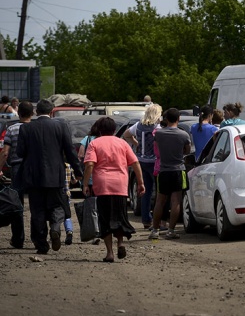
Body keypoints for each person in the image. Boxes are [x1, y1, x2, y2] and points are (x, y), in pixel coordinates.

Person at [16, 99, 82, 255]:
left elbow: (19, 152)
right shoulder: (61, 126)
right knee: (58, 205)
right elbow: (70, 152)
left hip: (34, 177)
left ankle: (41, 245)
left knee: (37, 210)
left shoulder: (26, 128)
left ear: (36, 112)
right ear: (52, 111)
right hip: (56, 175)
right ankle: (55, 227)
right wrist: (78, 171)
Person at [83, 117, 144, 262]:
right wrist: (141, 182)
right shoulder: (122, 143)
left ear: (99, 129)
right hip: (120, 185)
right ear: (114, 130)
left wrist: (85, 184)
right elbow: (135, 163)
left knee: (105, 219)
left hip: (102, 186)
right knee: (119, 217)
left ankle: (110, 253)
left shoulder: (94, 143)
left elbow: (90, 164)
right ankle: (120, 243)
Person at [149, 108, 191, 240]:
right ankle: (171, 230)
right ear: (179, 119)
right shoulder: (183, 135)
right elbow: (187, 151)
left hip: (163, 170)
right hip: (178, 169)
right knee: (176, 201)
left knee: (160, 201)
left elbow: (156, 148)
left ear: (166, 119)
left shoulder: (159, 134)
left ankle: (155, 230)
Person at [123, 103, 162, 229]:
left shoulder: (139, 125)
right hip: (155, 162)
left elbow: (126, 134)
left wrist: (136, 143)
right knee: (160, 193)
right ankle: (158, 221)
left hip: (141, 161)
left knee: (146, 190)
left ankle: (146, 219)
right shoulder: (158, 127)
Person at [0, 100, 33, 249]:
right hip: (34, 169)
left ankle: (18, 239)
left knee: (17, 204)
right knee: (36, 204)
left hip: (17, 169)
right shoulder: (35, 129)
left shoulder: (11, 129)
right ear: (32, 114)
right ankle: (38, 237)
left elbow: (5, 152)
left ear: (18, 113)